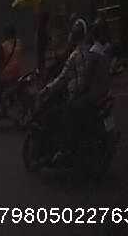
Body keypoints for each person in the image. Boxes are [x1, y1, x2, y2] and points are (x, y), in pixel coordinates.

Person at [40, 19, 92, 164]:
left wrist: (47, 88)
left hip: (76, 93)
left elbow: (63, 77)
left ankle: (65, 150)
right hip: (87, 93)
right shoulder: (90, 50)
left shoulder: (75, 55)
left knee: (62, 116)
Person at [0, 25, 23, 119]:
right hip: (18, 73)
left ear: (6, 34)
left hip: (7, 74)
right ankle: (7, 103)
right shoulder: (19, 43)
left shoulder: (4, 46)